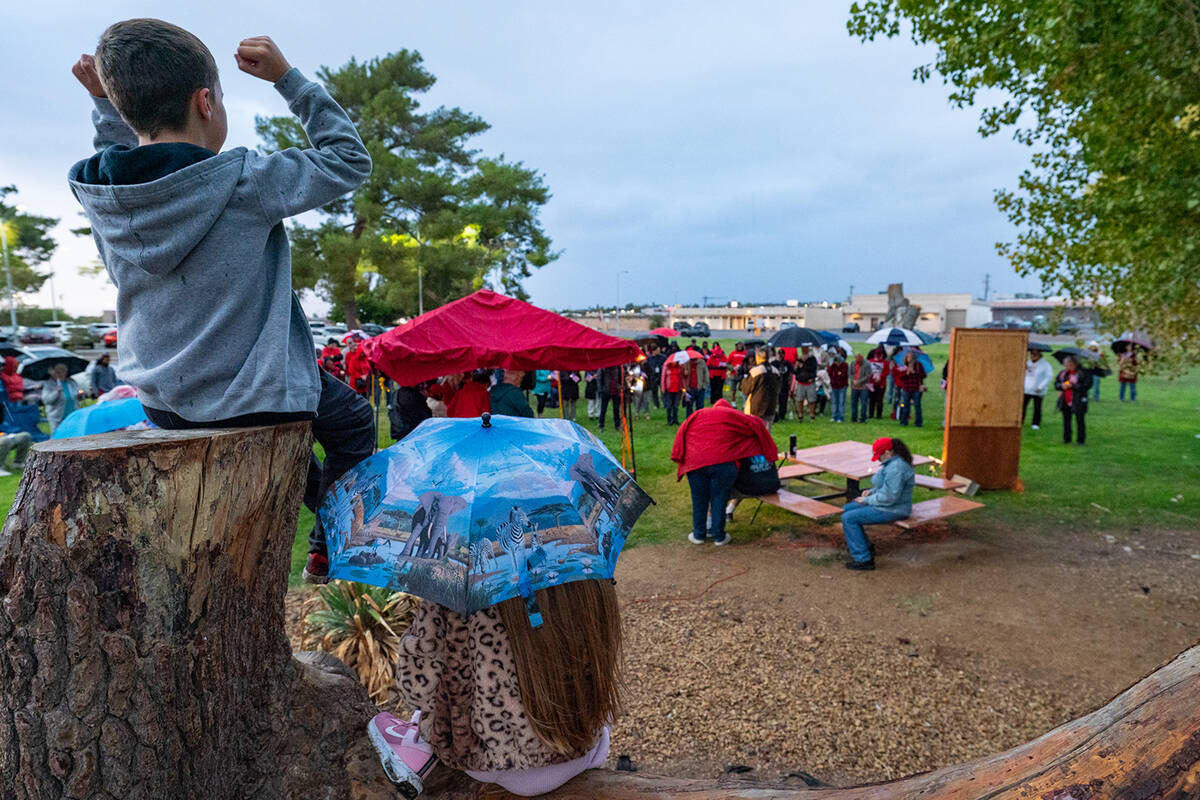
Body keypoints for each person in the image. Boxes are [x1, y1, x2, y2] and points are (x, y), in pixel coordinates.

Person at [69, 24, 375, 584]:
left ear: (128, 110)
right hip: (257, 397)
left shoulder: (106, 197)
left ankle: (318, 530)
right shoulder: (245, 181)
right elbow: (348, 160)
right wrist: (289, 80)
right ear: (205, 101)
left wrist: (102, 106)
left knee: (302, 441)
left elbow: (121, 157)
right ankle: (333, 547)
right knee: (353, 422)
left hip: (165, 401)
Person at [397, 580, 620, 796]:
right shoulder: (580, 561)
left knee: (428, 707)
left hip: (487, 763)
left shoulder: (456, 579)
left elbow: (417, 689)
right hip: (580, 750)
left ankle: (415, 747)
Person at [671, 398, 777, 546]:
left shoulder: (698, 414)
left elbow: (682, 431)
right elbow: (757, 424)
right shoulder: (734, 415)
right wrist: (770, 452)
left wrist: (678, 455)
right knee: (719, 498)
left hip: (695, 463)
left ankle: (699, 535)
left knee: (698, 499)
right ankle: (719, 537)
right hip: (724, 464)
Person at [841, 437, 915, 571]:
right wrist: (871, 492)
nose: (878, 459)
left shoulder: (896, 468)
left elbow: (889, 497)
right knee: (847, 509)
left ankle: (863, 559)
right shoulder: (893, 463)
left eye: (879, 456)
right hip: (888, 505)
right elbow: (886, 487)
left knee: (849, 518)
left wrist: (867, 500)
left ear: (887, 452)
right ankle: (865, 546)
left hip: (894, 509)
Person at [1055, 356, 1092, 445]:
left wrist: (1073, 386)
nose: (1068, 365)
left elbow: (1087, 385)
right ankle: (1067, 439)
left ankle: (1080, 440)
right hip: (1065, 400)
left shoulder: (1083, 373)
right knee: (1066, 420)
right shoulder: (1063, 373)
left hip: (1078, 400)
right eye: (1067, 363)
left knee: (1080, 421)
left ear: (1076, 363)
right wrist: (1061, 385)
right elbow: (1057, 384)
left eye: (1070, 363)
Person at [739, 351, 777, 431]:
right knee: (766, 435)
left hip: (756, 408)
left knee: (754, 434)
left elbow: (745, 389)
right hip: (771, 407)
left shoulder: (756, 371)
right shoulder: (775, 371)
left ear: (758, 357)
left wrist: (745, 379)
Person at [41, 362, 83, 434]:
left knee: (72, 435)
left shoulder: (71, 382)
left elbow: (78, 397)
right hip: (57, 417)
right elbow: (46, 400)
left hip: (71, 416)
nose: (61, 374)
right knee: (57, 438)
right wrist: (57, 392)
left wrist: (80, 395)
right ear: (54, 373)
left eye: (63, 371)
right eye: (58, 372)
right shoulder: (49, 384)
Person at [1023, 349, 1053, 429]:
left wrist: (1041, 386)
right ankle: (1021, 420)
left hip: (1038, 390)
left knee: (1037, 407)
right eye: (1031, 354)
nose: (1032, 356)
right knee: (1023, 406)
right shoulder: (1027, 363)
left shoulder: (1045, 365)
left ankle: (1035, 423)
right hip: (1026, 389)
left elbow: (1048, 377)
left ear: (1040, 355)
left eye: (1035, 354)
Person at [895, 350, 927, 427]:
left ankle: (918, 423)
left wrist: (914, 372)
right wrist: (907, 373)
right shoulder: (903, 366)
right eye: (909, 358)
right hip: (906, 388)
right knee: (905, 406)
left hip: (917, 388)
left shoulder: (919, 365)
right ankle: (903, 422)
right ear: (906, 359)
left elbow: (924, 375)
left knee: (917, 406)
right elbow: (900, 377)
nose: (910, 359)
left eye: (912, 358)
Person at [791, 345, 818, 421]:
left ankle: (812, 414)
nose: (804, 350)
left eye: (805, 348)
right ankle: (800, 414)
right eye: (803, 349)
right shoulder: (798, 359)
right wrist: (796, 367)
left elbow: (814, 369)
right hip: (801, 382)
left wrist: (803, 366)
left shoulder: (812, 359)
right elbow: (794, 372)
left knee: (812, 399)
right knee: (800, 399)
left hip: (810, 382)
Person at [597, 365, 623, 432]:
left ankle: (617, 425)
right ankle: (601, 425)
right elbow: (599, 379)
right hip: (606, 391)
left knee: (616, 409)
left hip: (615, 390)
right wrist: (601, 390)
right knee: (603, 409)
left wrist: (620, 386)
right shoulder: (603, 367)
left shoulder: (618, 367)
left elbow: (620, 378)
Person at [867, 347, 889, 419]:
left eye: (880, 355)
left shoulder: (885, 363)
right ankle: (871, 414)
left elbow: (887, 372)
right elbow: (867, 372)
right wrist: (873, 377)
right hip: (872, 383)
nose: (879, 357)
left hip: (881, 384)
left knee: (879, 400)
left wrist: (880, 376)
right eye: (877, 355)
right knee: (872, 399)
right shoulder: (870, 362)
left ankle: (879, 415)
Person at [850, 352, 872, 424]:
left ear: (862, 358)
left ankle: (863, 418)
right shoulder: (852, 363)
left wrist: (859, 381)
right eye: (856, 359)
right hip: (854, 386)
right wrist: (853, 381)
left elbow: (868, 375)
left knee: (864, 403)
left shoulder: (867, 364)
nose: (857, 361)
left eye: (859, 360)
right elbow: (850, 373)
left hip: (863, 387)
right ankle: (854, 418)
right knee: (854, 403)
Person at [661, 356, 683, 425]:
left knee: (676, 405)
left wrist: (682, 387)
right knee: (669, 405)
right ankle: (669, 420)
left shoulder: (680, 367)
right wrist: (663, 388)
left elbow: (681, 377)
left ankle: (675, 419)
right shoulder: (666, 367)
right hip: (669, 389)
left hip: (677, 388)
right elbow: (663, 377)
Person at [828, 351, 848, 423]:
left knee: (841, 402)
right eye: (836, 362)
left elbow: (843, 375)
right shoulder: (833, 366)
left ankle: (841, 417)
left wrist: (838, 374)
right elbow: (829, 372)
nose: (837, 364)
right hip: (834, 386)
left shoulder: (845, 365)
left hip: (842, 386)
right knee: (834, 401)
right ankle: (834, 416)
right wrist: (833, 366)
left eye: (838, 362)